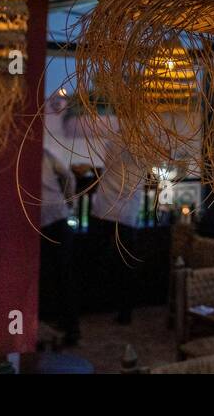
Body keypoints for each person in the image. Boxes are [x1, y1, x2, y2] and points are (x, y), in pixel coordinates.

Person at [89, 139, 148, 325]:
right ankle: (124, 312)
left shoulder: (113, 142)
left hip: (103, 209)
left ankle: (95, 303)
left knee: (97, 258)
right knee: (126, 265)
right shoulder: (146, 146)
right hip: (126, 214)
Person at [38, 148, 80, 346]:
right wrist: (69, 202)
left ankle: (43, 328)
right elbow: (68, 176)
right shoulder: (44, 152)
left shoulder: (16, 158)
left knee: (45, 276)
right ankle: (71, 328)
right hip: (59, 216)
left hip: (39, 222)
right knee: (65, 275)